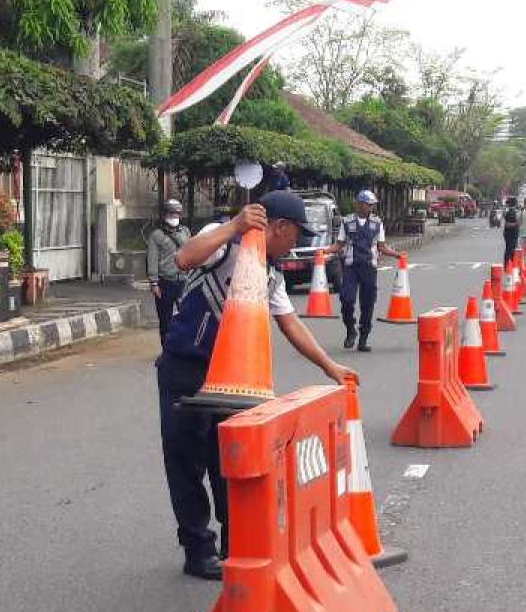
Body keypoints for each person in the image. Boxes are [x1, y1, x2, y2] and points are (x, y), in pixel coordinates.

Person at [157, 190, 357, 580]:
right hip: (187, 368)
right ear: (278, 227)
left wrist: (329, 365)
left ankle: (238, 544)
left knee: (230, 461)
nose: (297, 243)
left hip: (234, 382)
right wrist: (235, 224)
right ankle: (197, 549)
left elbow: (290, 322)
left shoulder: (271, 270)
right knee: (185, 461)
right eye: (295, 234)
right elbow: (183, 259)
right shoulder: (225, 239)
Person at [324, 190, 400, 353]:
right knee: (346, 299)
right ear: (358, 204)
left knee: (368, 304)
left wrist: (398, 255)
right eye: (367, 204)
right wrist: (324, 252)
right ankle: (350, 328)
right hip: (351, 267)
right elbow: (339, 244)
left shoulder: (377, 223)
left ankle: (363, 338)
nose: (370, 208)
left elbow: (382, 247)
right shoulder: (347, 221)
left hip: (368, 268)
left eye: (372, 205)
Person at [146, 199, 191, 346]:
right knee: (165, 320)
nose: (174, 216)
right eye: (171, 213)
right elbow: (152, 259)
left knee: (187, 318)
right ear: (164, 214)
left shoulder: (185, 232)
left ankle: (183, 348)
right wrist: (154, 283)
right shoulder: (156, 236)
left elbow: (191, 251)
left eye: (177, 213)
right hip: (165, 282)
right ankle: (166, 350)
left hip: (184, 281)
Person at [502, 197, 520, 266]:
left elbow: (505, 219)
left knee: (510, 249)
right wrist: (516, 224)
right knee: (510, 249)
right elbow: (507, 224)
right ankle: (509, 264)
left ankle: (509, 264)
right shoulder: (511, 212)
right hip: (511, 233)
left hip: (510, 233)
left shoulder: (510, 211)